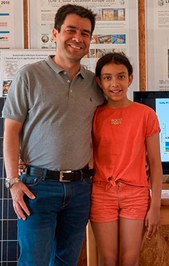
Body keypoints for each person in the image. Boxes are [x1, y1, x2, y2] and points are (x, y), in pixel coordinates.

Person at [2, 4, 104, 265]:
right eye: (71, 30)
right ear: (55, 33)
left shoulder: (95, 83)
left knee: (66, 261)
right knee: (33, 261)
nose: (78, 38)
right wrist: (13, 182)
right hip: (37, 188)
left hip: (80, 189)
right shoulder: (29, 76)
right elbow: (11, 133)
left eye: (85, 33)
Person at [90, 52, 163, 265]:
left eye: (121, 76)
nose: (115, 83)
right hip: (102, 192)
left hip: (135, 193)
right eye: (107, 78)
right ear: (99, 82)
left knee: (130, 258)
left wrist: (156, 205)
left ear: (130, 79)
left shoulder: (145, 114)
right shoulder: (93, 115)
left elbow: (156, 164)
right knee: (108, 258)